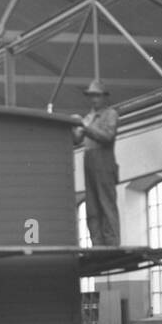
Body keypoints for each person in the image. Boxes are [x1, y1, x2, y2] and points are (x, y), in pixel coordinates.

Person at [72, 79, 120, 247]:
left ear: (105, 97)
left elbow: (107, 137)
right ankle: (97, 243)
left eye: (97, 96)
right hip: (89, 161)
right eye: (91, 96)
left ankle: (112, 243)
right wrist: (72, 126)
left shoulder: (110, 114)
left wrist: (84, 127)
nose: (94, 99)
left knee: (106, 203)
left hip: (104, 161)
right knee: (92, 206)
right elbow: (77, 139)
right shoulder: (88, 117)